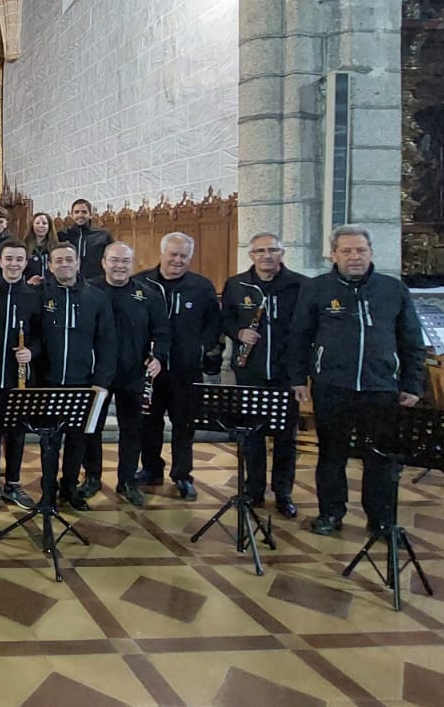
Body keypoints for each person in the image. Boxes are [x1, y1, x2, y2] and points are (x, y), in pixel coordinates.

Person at [288, 225, 426, 536]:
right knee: (331, 455)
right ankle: (331, 514)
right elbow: (299, 337)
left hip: (380, 388)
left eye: (361, 250)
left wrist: (412, 384)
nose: (354, 257)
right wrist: (298, 379)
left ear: (371, 253)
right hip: (332, 386)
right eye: (347, 251)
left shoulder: (393, 289)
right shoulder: (317, 288)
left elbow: (412, 341)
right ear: (333, 254)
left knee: (382, 458)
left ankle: (381, 521)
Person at [221, 233, 308, 518]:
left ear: (282, 253)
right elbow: (226, 319)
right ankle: (253, 489)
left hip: (285, 374)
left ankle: (283, 492)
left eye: (272, 250)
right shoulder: (236, 285)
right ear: (251, 255)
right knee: (251, 435)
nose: (266, 256)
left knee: (286, 437)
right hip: (250, 372)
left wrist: (300, 375)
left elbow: (306, 329)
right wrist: (238, 332)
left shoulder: (300, 285)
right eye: (260, 251)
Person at [134, 232, 223, 501]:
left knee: (184, 424)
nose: (177, 260)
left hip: (186, 371)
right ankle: (151, 468)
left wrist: (201, 348)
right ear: (161, 254)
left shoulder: (202, 286)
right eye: (173, 254)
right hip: (150, 368)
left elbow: (213, 324)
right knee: (149, 422)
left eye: (184, 255)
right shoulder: (141, 283)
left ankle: (182, 475)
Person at [36, 242, 116, 510]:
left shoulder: (96, 297)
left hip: (82, 381)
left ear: (78, 263)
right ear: (50, 265)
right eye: (58, 261)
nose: (64, 265)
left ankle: (70, 486)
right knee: (49, 441)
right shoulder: (39, 293)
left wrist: (101, 382)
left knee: (77, 439)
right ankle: (48, 489)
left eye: (69, 260)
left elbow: (107, 343)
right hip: (48, 381)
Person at [97, 243, 168, 506]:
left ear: (132, 263)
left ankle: (126, 480)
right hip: (97, 375)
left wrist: (158, 357)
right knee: (91, 429)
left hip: (133, 373)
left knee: (132, 430)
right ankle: (92, 478)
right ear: (103, 262)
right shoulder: (90, 290)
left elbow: (162, 332)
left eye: (126, 261)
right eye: (114, 260)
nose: (119, 266)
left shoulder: (148, 294)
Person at [0, 238, 41, 511]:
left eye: (19, 259)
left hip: (21, 377)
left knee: (17, 431)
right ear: (0, 262)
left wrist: (32, 352)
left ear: (25, 263)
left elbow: (41, 336)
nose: (14, 264)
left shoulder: (33, 295)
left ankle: (13, 483)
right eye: (9, 259)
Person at [60, 199, 113, 283]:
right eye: (76, 212)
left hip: (97, 282)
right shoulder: (62, 235)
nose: (80, 215)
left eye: (84, 212)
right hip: (71, 282)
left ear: (90, 215)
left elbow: (111, 259)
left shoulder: (103, 235)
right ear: (72, 215)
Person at [26, 212, 57, 285]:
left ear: (49, 226)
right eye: (37, 223)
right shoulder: (25, 246)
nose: (41, 226)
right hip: (30, 287)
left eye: (44, 223)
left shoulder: (55, 247)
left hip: (52, 288)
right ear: (32, 226)